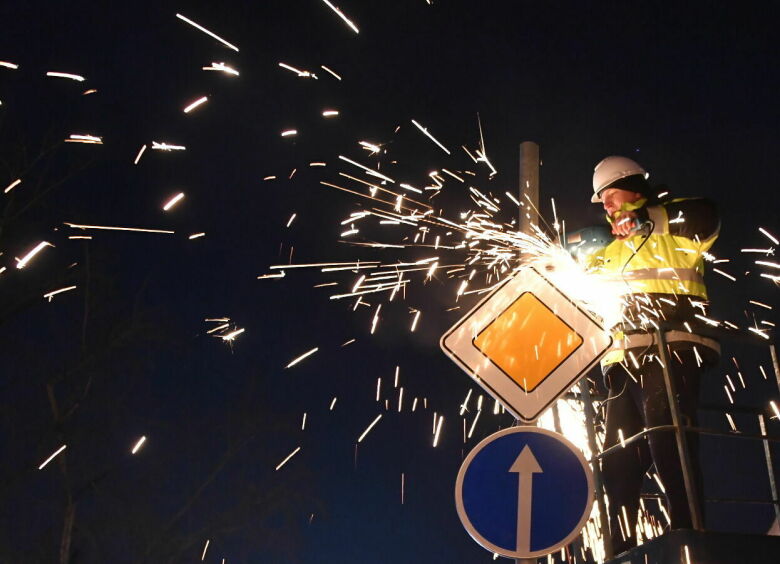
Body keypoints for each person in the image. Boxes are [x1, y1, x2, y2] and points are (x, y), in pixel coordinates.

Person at [585, 155, 720, 555]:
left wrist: (647, 220)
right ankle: (621, 550)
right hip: (621, 364)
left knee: (669, 444)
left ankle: (689, 539)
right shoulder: (605, 251)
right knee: (617, 463)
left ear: (634, 187)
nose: (607, 205)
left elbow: (704, 215)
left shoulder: (677, 230)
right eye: (602, 200)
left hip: (673, 349)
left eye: (610, 195)